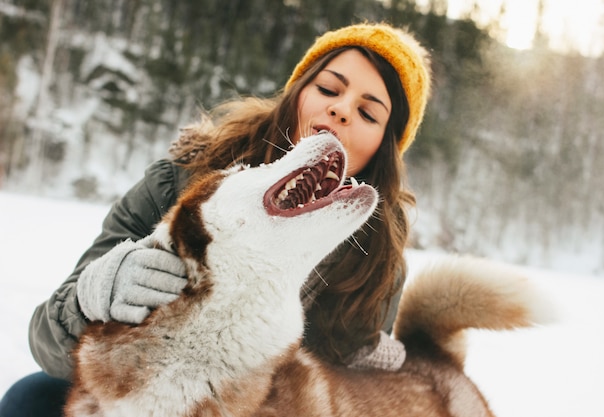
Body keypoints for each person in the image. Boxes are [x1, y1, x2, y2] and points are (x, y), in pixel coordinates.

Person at [0, 22, 431, 416]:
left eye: (369, 113)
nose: (341, 111)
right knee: (30, 399)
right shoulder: (180, 182)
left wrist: (366, 373)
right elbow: (46, 344)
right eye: (329, 89)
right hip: (139, 394)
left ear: (384, 147)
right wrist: (91, 297)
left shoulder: (374, 261)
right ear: (298, 91)